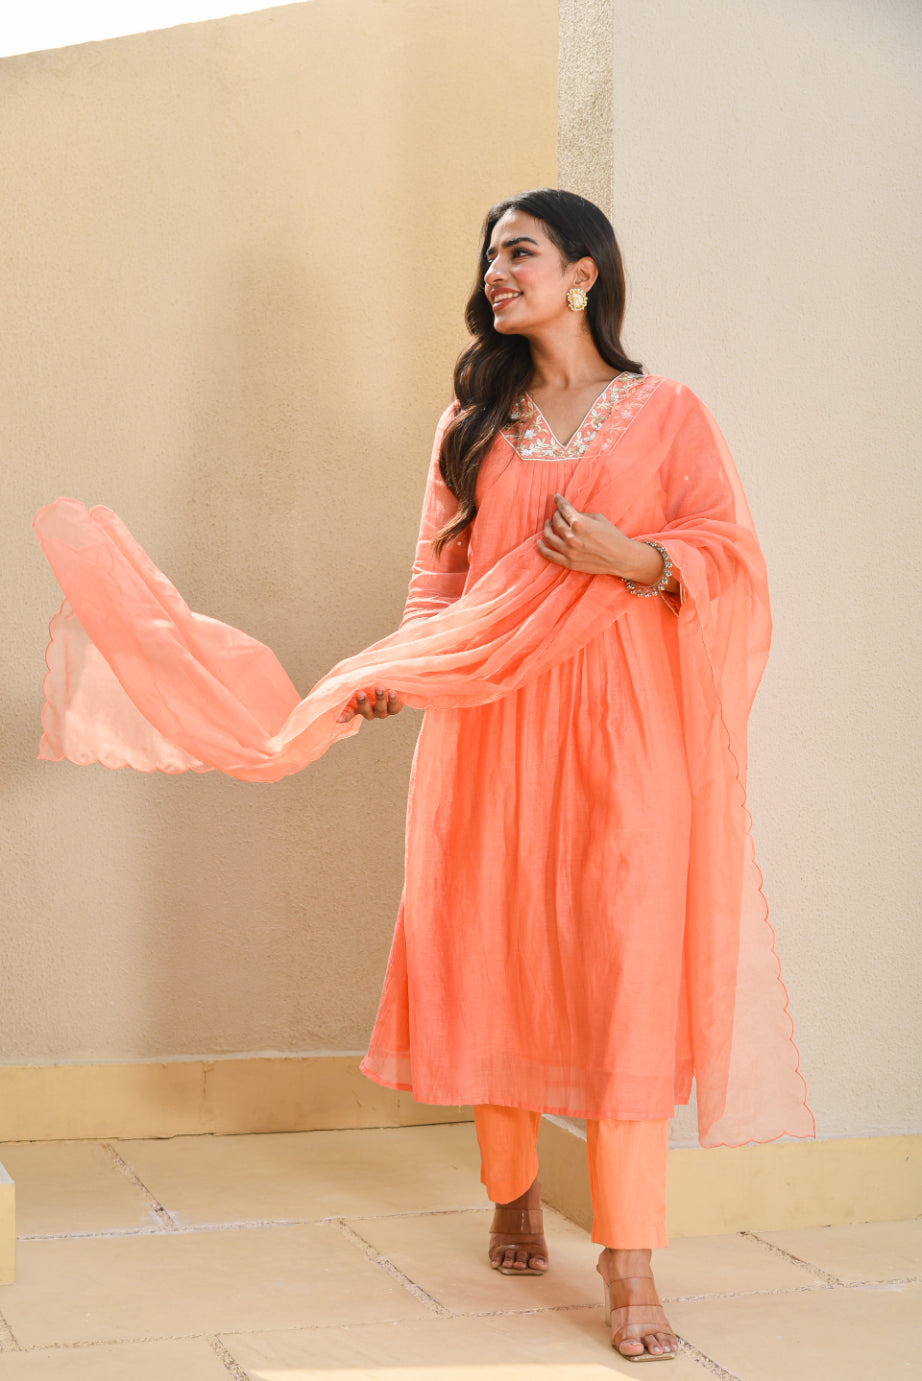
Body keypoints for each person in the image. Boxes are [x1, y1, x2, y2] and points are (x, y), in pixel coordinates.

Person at [34, 188, 814, 1363]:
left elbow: (732, 558)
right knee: (492, 945)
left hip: (624, 730)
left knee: (623, 964)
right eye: (491, 255)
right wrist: (403, 669)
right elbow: (435, 584)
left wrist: (637, 556)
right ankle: (509, 1190)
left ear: (585, 272)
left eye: (520, 251)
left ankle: (630, 1257)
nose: (497, 272)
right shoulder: (474, 419)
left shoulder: (669, 413)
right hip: (488, 728)